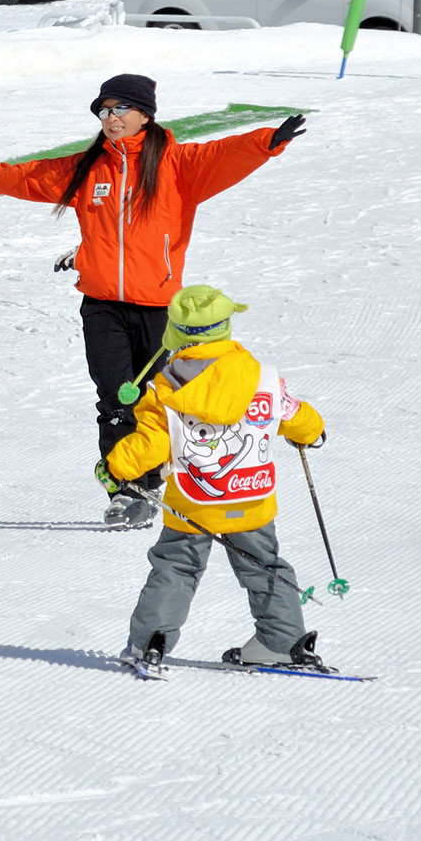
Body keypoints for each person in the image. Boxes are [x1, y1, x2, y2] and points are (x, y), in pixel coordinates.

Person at [0, 74, 306, 526]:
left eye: (119, 109)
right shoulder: (89, 168)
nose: (110, 118)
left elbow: (222, 155)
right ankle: (128, 490)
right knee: (114, 398)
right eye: (104, 111)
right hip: (101, 305)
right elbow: (36, 175)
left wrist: (267, 142)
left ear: (144, 114)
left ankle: (162, 474)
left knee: (156, 399)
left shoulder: (176, 164)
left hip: (157, 309)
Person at [109, 285, 329, 672]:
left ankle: (150, 642)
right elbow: (292, 414)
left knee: (176, 567)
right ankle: (282, 640)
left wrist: (116, 467)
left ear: (173, 333)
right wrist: (311, 432)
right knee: (263, 564)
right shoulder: (260, 378)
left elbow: (152, 443)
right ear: (225, 327)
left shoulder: (168, 387)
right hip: (250, 497)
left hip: (194, 503)